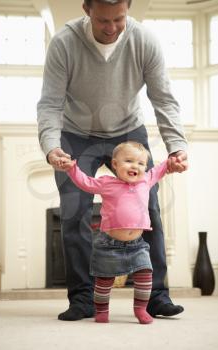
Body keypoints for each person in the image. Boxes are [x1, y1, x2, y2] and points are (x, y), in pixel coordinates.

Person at [37, 0, 188, 321]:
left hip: (127, 130)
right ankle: (82, 298)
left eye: (119, 19)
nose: (111, 27)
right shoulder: (64, 43)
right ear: (86, 10)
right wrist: (51, 147)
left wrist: (176, 146)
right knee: (74, 210)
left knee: (149, 208)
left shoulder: (144, 41)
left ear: (128, 10)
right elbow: (50, 103)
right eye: (103, 19)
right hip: (75, 133)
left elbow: (163, 97)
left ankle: (157, 296)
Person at [61, 141, 172, 324]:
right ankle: (101, 310)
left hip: (138, 244)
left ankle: (140, 309)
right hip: (109, 245)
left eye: (140, 163)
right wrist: (72, 169)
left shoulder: (146, 180)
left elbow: (160, 169)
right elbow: (86, 182)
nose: (135, 166)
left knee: (145, 274)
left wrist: (171, 162)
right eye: (128, 160)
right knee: (104, 282)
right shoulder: (107, 183)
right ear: (115, 164)